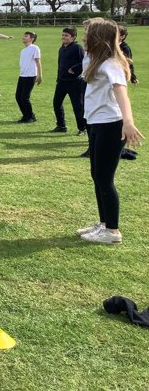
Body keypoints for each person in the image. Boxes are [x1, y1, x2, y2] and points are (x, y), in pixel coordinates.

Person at [76, 18, 144, 244]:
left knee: (105, 179)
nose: (83, 37)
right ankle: (104, 224)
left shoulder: (111, 64)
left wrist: (128, 122)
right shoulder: (94, 59)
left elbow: (121, 92)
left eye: (87, 34)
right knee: (97, 175)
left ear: (98, 39)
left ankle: (113, 232)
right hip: (96, 123)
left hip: (111, 125)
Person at [51, 26, 86, 134]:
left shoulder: (77, 48)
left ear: (73, 37)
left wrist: (74, 69)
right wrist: (58, 77)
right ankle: (61, 126)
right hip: (62, 81)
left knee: (77, 106)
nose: (63, 37)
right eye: (63, 35)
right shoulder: (62, 48)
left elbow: (84, 63)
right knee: (56, 103)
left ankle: (82, 128)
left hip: (74, 82)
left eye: (66, 35)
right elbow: (60, 64)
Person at [15, 31, 42, 123]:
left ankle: (31, 116)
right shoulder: (23, 50)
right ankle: (26, 115)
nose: (23, 37)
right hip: (22, 75)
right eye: (24, 36)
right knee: (18, 96)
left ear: (32, 39)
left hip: (30, 76)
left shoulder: (35, 48)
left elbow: (38, 62)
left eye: (26, 36)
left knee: (25, 97)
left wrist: (40, 75)